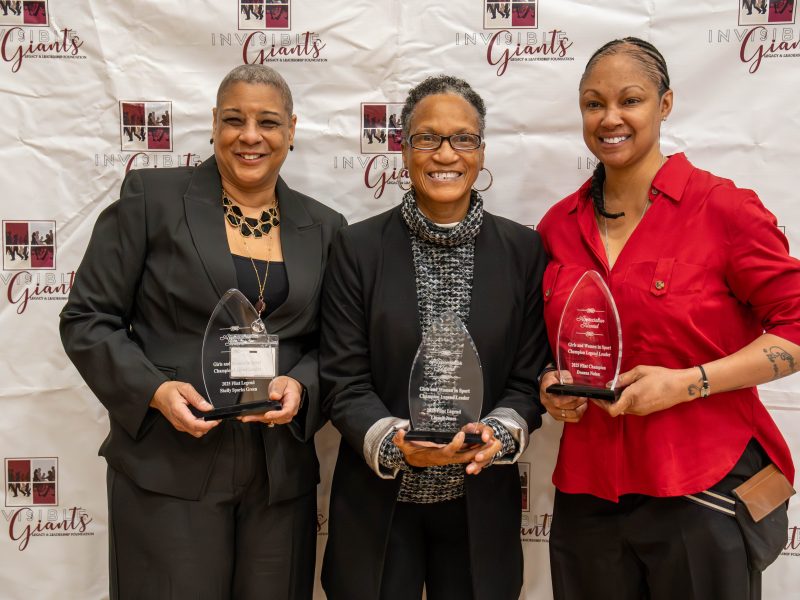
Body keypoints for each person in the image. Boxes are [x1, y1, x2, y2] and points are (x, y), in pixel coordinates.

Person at [60, 64, 346, 600]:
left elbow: (337, 344)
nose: (250, 135)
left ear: (291, 130)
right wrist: (154, 391)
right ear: (214, 123)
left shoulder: (326, 226)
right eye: (234, 119)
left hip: (277, 476)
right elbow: (87, 319)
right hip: (169, 465)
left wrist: (303, 385)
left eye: (268, 121)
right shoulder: (152, 199)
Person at [537, 37, 800, 600]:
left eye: (629, 100)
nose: (610, 118)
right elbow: (546, 343)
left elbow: (796, 327)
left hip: (700, 490)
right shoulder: (558, 225)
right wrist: (548, 384)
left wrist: (689, 383)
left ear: (666, 104)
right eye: (593, 103)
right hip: (587, 496)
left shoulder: (724, 208)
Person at [320, 75, 549, 600]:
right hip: (379, 506)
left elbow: (526, 377)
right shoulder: (357, 249)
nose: (446, 153)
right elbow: (343, 380)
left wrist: (497, 435)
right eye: (427, 138)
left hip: (480, 505)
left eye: (462, 138)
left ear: (481, 150)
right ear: (403, 149)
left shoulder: (523, 251)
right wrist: (398, 444)